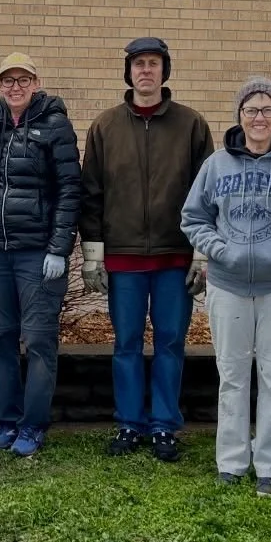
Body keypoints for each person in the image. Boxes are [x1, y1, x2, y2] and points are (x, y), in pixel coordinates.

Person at [182, 77, 271, 495]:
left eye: (267, 109)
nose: (259, 117)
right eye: (251, 110)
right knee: (231, 375)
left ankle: (270, 467)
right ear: (239, 116)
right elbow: (193, 218)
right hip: (227, 285)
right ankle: (231, 462)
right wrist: (218, 250)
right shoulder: (217, 164)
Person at [79, 37, 216, 463]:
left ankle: (163, 426)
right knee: (127, 343)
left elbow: (206, 193)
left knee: (172, 342)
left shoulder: (192, 125)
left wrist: (202, 253)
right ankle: (129, 423)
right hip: (124, 257)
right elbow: (91, 195)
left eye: (154, 63)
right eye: (139, 64)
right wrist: (93, 255)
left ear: (164, 71)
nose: (146, 71)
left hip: (175, 257)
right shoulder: (105, 127)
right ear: (129, 72)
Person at [0, 53, 81, 457]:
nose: (15, 87)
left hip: (37, 252)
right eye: (7, 80)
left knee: (38, 340)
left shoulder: (55, 125)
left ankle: (33, 425)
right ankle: (6, 419)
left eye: (23, 80)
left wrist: (59, 248)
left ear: (36, 83)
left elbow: (70, 190)